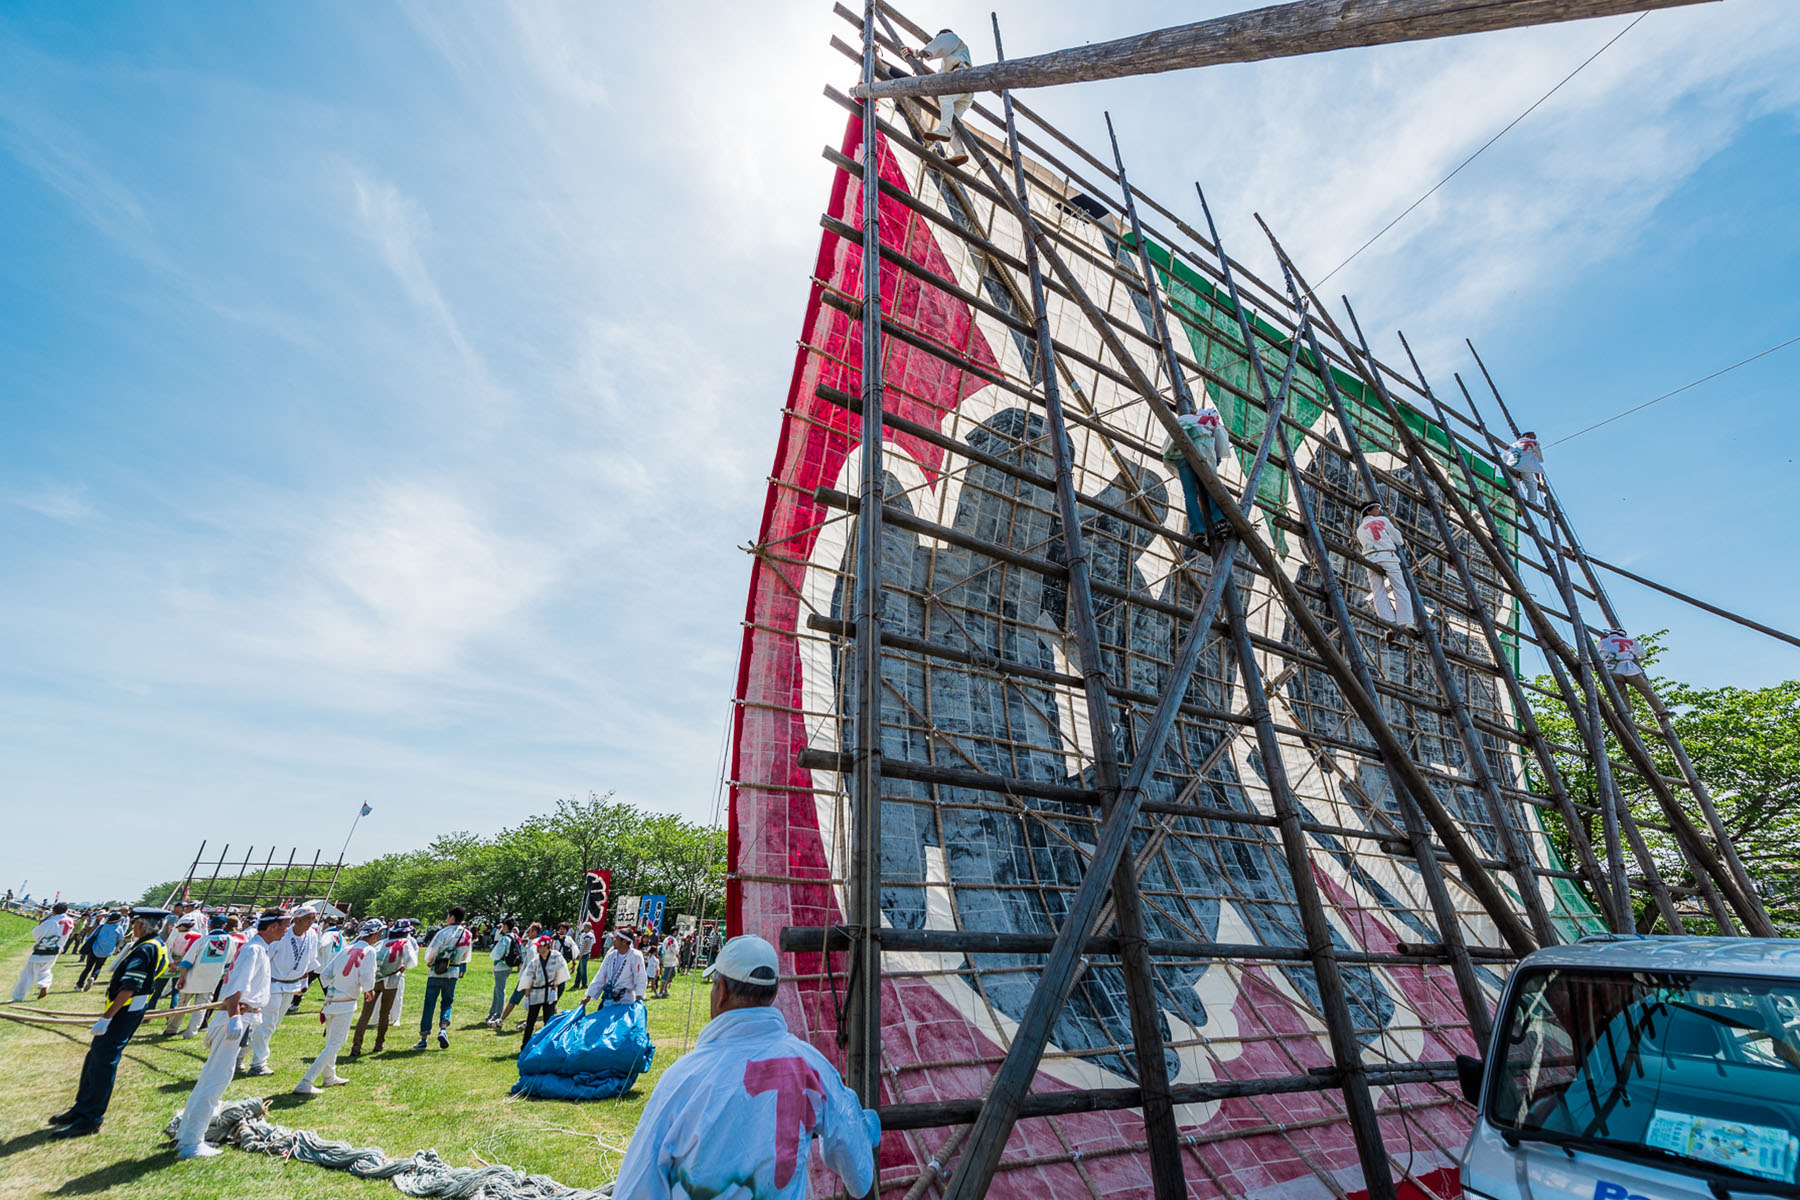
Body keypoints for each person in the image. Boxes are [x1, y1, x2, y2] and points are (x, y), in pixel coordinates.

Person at [610, 935, 878, 1199]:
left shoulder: (683, 1078)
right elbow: (860, 1174)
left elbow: (635, 1188)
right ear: (773, 993)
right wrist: (867, 1125)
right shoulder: (810, 1063)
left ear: (722, 991)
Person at [47, 908, 171, 1139]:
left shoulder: (146, 948)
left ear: (143, 925)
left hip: (123, 1011)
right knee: (95, 1057)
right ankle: (81, 1108)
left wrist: (107, 1017)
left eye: (136, 923)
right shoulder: (156, 944)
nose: (133, 926)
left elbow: (129, 986)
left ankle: (90, 1118)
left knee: (103, 1061)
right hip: (131, 1008)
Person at [175, 907, 281, 1159]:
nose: (287, 929)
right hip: (237, 1017)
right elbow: (236, 988)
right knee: (216, 1081)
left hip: (243, 1016)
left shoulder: (257, 948)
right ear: (273, 925)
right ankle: (191, 1141)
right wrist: (234, 1018)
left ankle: (186, 1133)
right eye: (284, 924)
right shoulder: (254, 949)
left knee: (210, 1079)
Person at [295, 919, 383, 1095]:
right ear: (374, 934)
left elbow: (325, 974)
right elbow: (367, 975)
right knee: (336, 1043)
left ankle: (330, 1076)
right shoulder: (369, 951)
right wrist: (368, 990)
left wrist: (334, 990)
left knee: (331, 1042)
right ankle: (306, 1081)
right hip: (345, 1002)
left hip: (331, 1000)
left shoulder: (346, 949)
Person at [242, 904, 317, 1075]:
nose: (310, 922)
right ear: (295, 920)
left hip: (292, 984)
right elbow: (266, 959)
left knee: (272, 1024)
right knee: (266, 1023)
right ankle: (258, 1063)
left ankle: (241, 1054)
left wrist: (304, 980)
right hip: (273, 983)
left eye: (313, 919)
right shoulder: (282, 935)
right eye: (307, 919)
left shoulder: (312, 935)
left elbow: (309, 958)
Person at [1161, 401, 1234, 549]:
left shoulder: (1186, 420)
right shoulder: (1212, 423)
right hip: (1203, 457)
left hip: (1181, 458)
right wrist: (1216, 462)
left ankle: (1197, 531)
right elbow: (1220, 449)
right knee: (1210, 489)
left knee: (1190, 495)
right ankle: (1219, 521)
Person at [901, 29, 972, 166]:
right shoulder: (952, 57)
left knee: (944, 96)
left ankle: (944, 130)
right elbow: (936, 74)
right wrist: (916, 62)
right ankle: (959, 152)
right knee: (951, 121)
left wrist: (916, 53)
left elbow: (939, 45)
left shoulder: (951, 37)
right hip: (966, 87)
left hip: (961, 76)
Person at [351, 919, 418, 1058]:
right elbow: (411, 962)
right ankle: (378, 1044)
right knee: (384, 1014)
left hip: (374, 979)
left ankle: (356, 1046)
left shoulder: (382, 942)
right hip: (391, 980)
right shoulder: (404, 943)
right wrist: (401, 966)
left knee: (365, 1014)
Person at [413, 906, 472, 1050]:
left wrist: (430, 961)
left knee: (429, 1004)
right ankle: (443, 1029)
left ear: (452, 917)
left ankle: (424, 1038)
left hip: (436, 972)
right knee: (447, 1002)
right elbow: (466, 957)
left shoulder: (442, 933)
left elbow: (431, 953)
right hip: (453, 972)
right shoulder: (467, 935)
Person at [1355, 500, 1415, 631]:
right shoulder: (1383, 520)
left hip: (1370, 559)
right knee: (1400, 588)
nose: (1380, 510)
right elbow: (1399, 540)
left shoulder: (1359, 530)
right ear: (1369, 511)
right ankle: (1406, 621)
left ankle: (1388, 624)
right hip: (1387, 556)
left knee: (1378, 592)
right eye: (1378, 508)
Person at [167, 914, 230, 1037]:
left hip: (192, 978)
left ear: (210, 925)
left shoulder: (202, 940)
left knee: (182, 1004)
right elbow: (228, 961)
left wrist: (181, 978)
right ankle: (191, 1033)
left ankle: (171, 1029)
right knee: (201, 1007)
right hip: (212, 979)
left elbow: (187, 961)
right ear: (225, 925)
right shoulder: (230, 942)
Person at [12, 901, 74, 1001]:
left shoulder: (51, 922)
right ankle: (44, 984)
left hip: (43, 948)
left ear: (54, 911)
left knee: (28, 974)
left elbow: (36, 934)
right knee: (45, 970)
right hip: (56, 950)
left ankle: (18, 997)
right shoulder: (70, 921)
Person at [488, 921, 544, 1031]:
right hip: (528, 978)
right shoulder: (532, 943)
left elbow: (532, 963)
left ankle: (505, 1021)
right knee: (524, 1001)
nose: (528, 932)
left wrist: (529, 979)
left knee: (521, 1001)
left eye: (529, 930)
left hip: (528, 978)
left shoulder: (534, 945)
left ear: (534, 931)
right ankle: (502, 1020)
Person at [515, 935, 570, 1046]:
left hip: (549, 992)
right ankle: (524, 1045)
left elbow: (561, 971)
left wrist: (555, 986)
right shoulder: (535, 960)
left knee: (548, 1021)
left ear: (546, 946)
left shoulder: (556, 956)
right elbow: (528, 977)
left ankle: (546, 1045)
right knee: (531, 1021)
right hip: (536, 993)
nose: (538, 948)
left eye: (540, 946)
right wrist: (527, 995)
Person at [1597, 626, 1658, 715]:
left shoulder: (1602, 642)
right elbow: (1643, 654)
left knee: (1621, 695)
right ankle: (1661, 711)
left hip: (1612, 670)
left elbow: (1599, 656)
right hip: (1630, 669)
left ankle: (1626, 714)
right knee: (1647, 691)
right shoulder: (1630, 641)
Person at [587, 928, 647, 1006]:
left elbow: (640, 978)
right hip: (609, 998)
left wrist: (639, 997)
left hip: (625, 1000)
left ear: (624, 942)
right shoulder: (611, 955)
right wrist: (588, 997)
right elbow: (600, 975)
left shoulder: (635, 956)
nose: (614, 940)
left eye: (617, 938)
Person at [74, 911, 126, 991]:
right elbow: (121, 940)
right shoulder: (119, 928)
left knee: (87, 968)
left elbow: (90, 937)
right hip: (106, 951)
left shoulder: (102, 926)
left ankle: (79, 985)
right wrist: (117, 948)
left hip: (95, 949)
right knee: (98, 967)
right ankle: (93, 977)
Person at [487, 921, 521, 1023]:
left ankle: (497, 1014)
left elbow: (497, 954)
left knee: (499, 991)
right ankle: (492, 1012)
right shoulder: (514, 937)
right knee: (497, 990)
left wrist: (495, 961)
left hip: (501, 966)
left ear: (506, 926)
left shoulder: (505, 938)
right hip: (508, 967)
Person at [1501, 431, 1545, 507]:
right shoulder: (1534, 442)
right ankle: (1532, 501)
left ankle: (1520, 497)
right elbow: (1540, 458)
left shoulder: (1513, 445)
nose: (1534, 437)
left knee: (1514, 484)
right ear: (1526, 435)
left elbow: (1504, 456)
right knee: (1531, 483)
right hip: (1525, 466)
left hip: (1512, 465)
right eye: (1533, 435)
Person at [574, 922, 596, 990]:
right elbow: (593, 942)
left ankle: (584, 984)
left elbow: (586, 944)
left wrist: (582, 953)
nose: (583, 928)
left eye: (585, 927)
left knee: (583, 970)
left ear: (588, 928)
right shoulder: (588, 934)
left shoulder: (589, 935)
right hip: (584, 953)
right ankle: (577, 983)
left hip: (584, 954)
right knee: (579, 970)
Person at [658, 933, 680, 998]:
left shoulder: (666, 939)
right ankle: (660, 992)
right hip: (669, 960)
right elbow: (675, 950)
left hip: (669, 959)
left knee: (672, 974)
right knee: (665, 976)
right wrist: (678, 956)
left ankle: (665, 988)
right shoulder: (671, 939)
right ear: (675, 932)